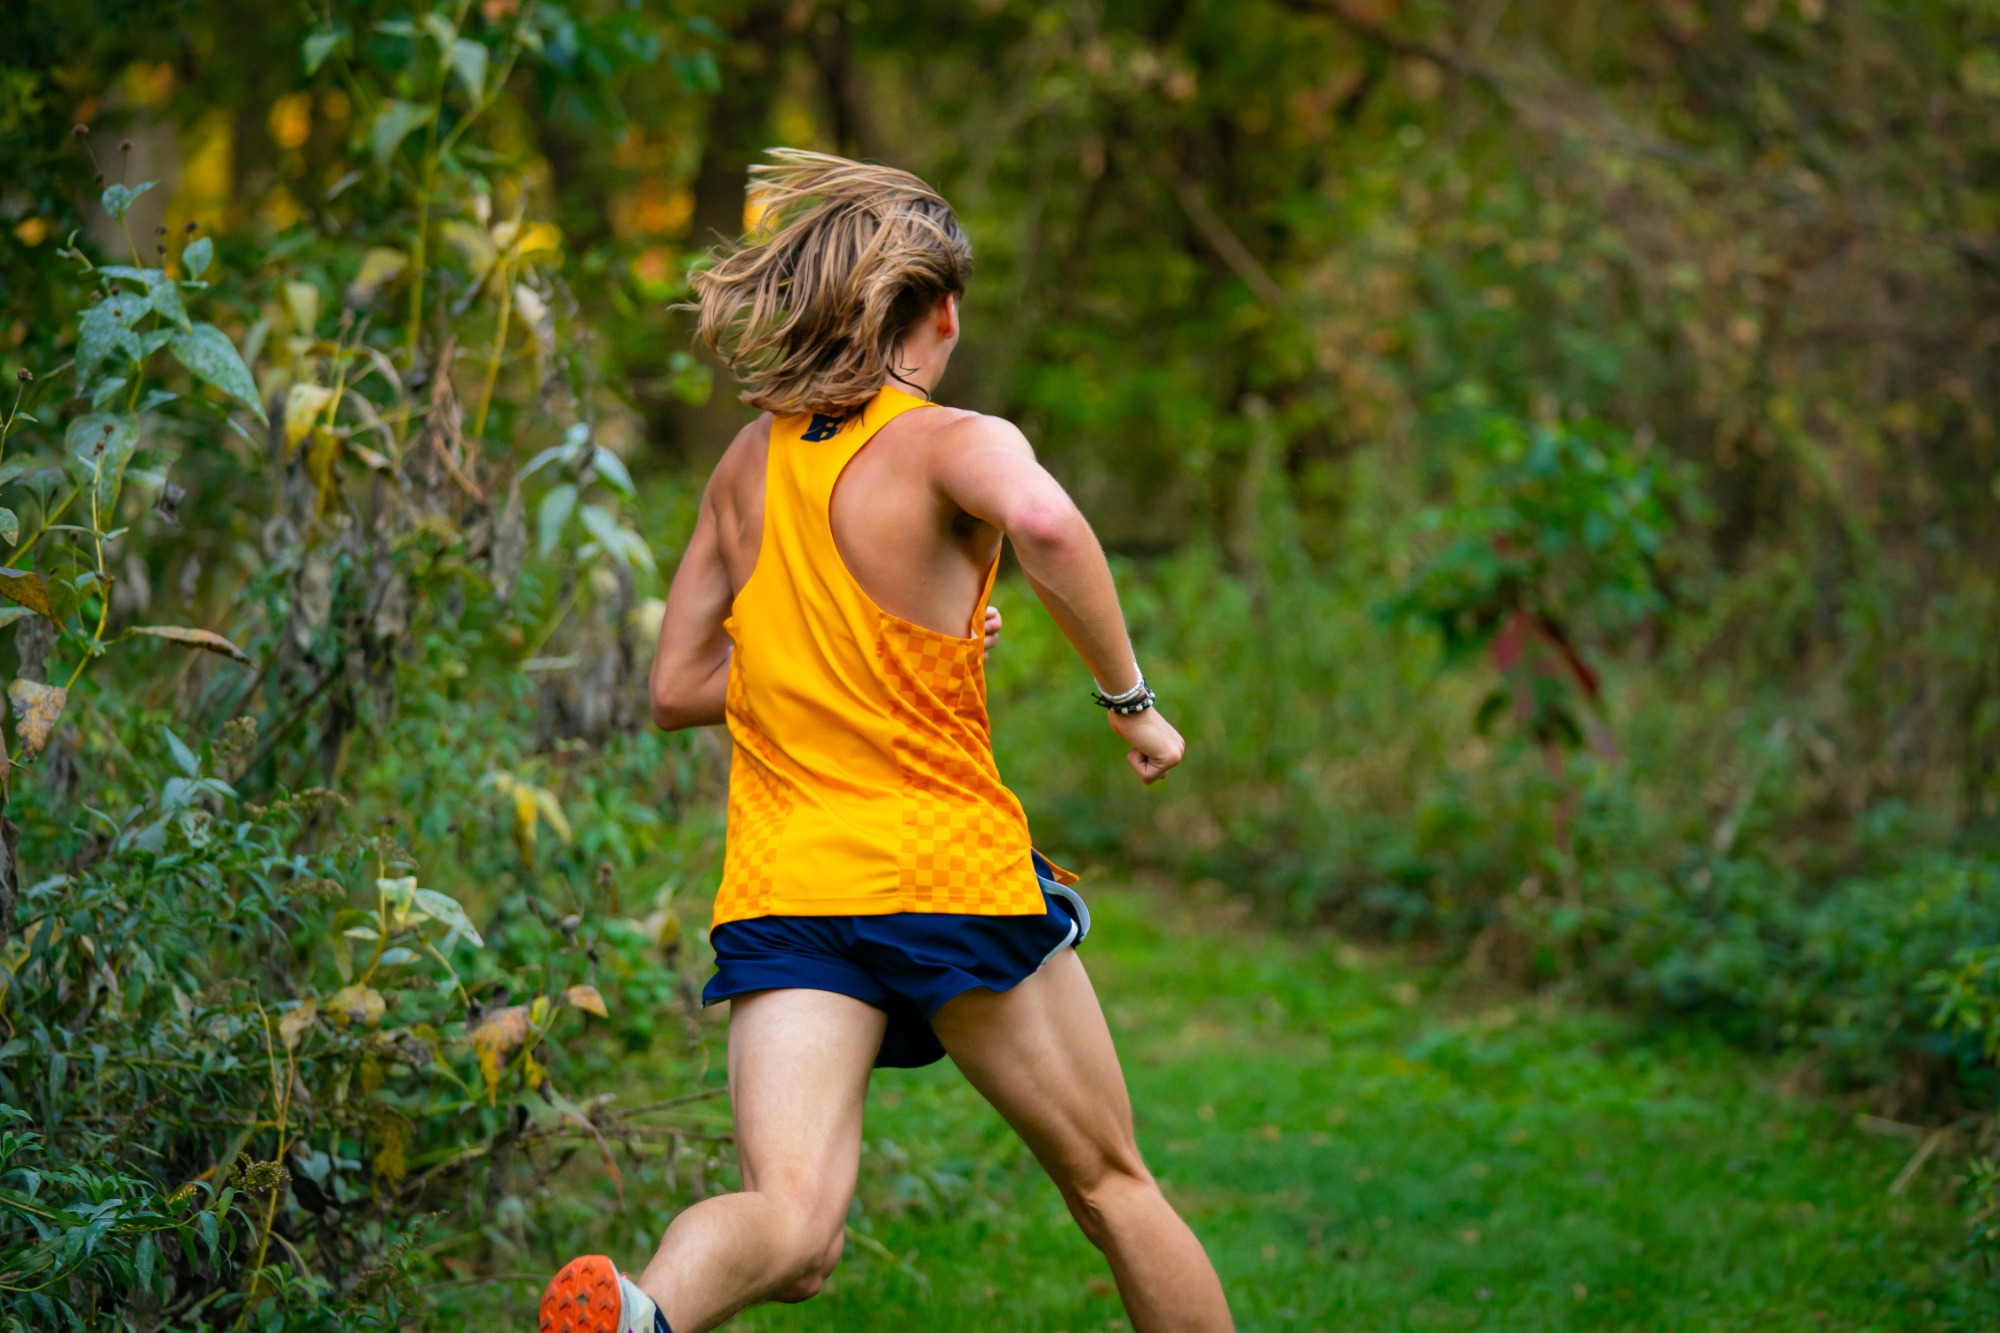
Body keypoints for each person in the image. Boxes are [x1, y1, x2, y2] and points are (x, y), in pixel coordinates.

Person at [540, 149, 1233, 1333]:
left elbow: (674, 685)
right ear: (940, 310)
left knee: (794, 1225)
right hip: (936, 874)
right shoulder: (946, 440)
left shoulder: (745, 465)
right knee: (1113, 1185)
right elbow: (1046, 518)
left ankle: (643, 1310)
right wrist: (1130, 699)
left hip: (785, 888)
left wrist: (843, 657)